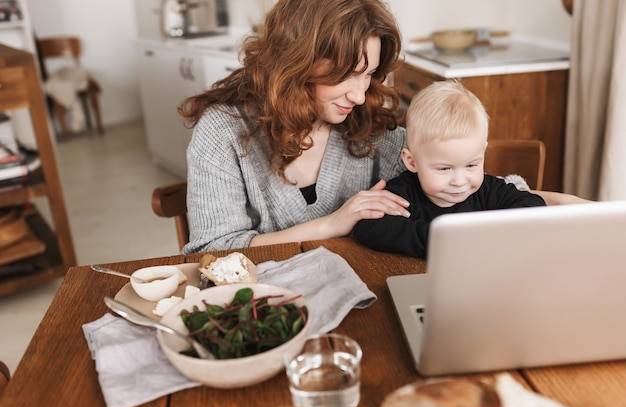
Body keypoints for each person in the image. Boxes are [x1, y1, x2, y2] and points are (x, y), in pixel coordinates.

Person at [179, 0, 588, 254]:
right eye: (347, 75)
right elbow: (212, 252)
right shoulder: (223, 134)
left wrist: (571, 207)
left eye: (369, 74)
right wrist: (333, 223)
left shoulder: (366, 125)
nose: (359, 94)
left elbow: (460, 180)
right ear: (296, 63)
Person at [352, 80, 547, 258]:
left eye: (471, 165)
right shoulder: (403, 194)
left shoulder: (487, 190)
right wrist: (444, 240)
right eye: (444, 169)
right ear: (412, 162)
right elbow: (368, 225)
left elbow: (533, 205)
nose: (460, 181)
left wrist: (492, 233)